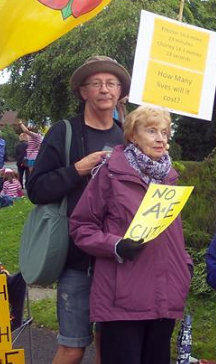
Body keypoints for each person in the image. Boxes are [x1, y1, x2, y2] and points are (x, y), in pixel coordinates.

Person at [26, 55, 130, 364]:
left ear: (120, 92)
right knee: (72, 347)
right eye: (95, 83)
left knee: (107, 346)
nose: (104, 89)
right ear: (83, 92)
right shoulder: (63, 132)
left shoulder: (127, 136)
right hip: (77, 260)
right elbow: (36, 189)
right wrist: (76, 170)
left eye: (111, 83)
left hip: (115, 258)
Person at [70, 105, 193, 364]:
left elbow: (173, 237)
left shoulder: (168, 178)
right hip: (123, 299)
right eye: (151, 131)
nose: (161, 138)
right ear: (132, 136)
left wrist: (185, 264)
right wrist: (116, 245)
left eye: (165, 132)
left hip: (164, 296)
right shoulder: (110, 174)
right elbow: (81, 227)